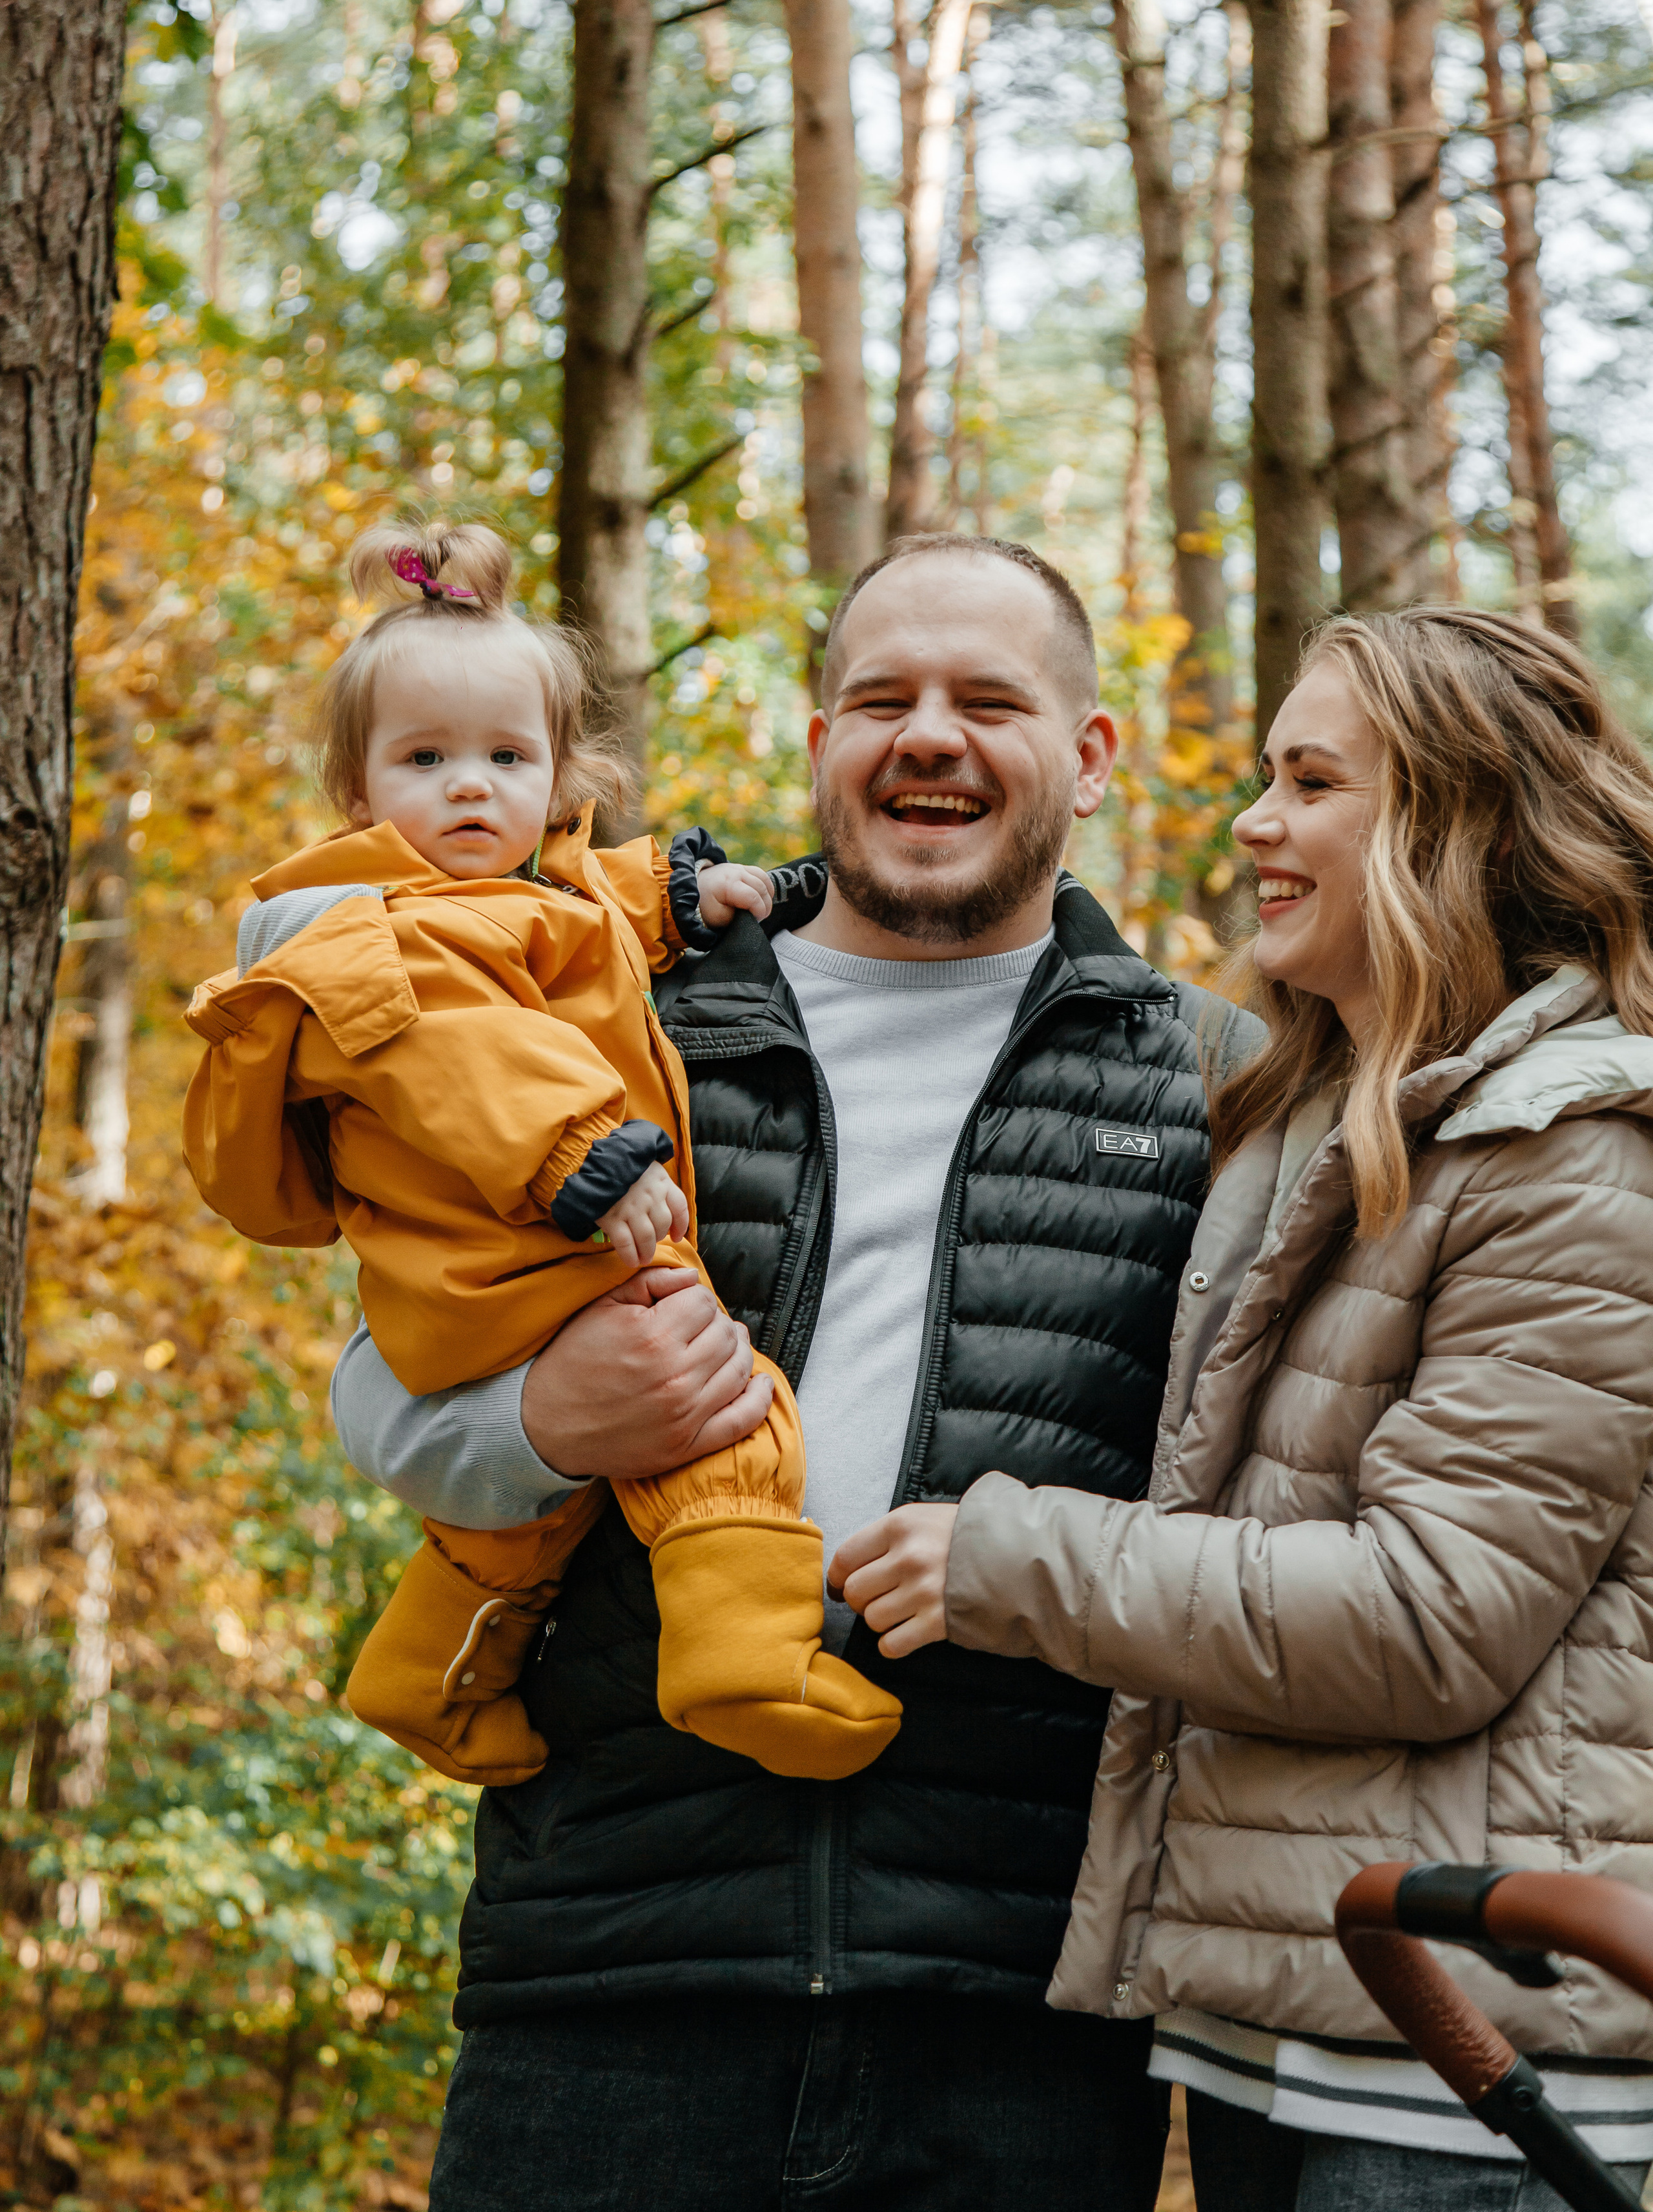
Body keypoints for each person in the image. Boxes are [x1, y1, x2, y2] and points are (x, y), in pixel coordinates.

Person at [329, 530, 1260, 2211]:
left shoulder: (1222, 1083)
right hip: (611, 1974)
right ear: (819, 737)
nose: (929, 735)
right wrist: (550, 1421)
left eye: (991, 700)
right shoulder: (617, 1017)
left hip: (1021, 2007)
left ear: (1092, 756)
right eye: (881, 695)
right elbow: (379, 1381)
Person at [839, 606, 1653, 2211]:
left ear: (1447, 823)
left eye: (1308, 783)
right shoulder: (1314, 1130)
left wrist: (1008, 1564)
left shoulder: (1574, 1156)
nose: (1254, 823)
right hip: (1305, 2021)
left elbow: (1431, 1618)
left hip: (1475, 2075)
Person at [182, 515, 900, 1792]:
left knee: (515, 1528)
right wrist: (592, 1158)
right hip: (526, 1245)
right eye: (425, 758)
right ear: (359, 793)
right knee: (720, 1411)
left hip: (480, 1287)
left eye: (506, 757)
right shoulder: (370, 940)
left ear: (560, 776)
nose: (471, 786)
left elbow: (567, 922)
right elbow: (462, 1054)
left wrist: (674, 901)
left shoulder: (516, 895)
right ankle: (743, 1656)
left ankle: (429, 1680)